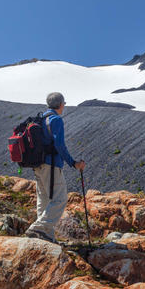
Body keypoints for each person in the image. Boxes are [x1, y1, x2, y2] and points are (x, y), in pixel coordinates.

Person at [25, 92, 85, 243]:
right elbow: (59, 144)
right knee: (60, 199)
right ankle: (38, 227)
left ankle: (47, 236)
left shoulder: (40, 119)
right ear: (60, 104)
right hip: (51, 165)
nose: (64, 106)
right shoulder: (56, 119)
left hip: (38, 165)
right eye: (63, 103)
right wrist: (73, 163)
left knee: (44, 199)